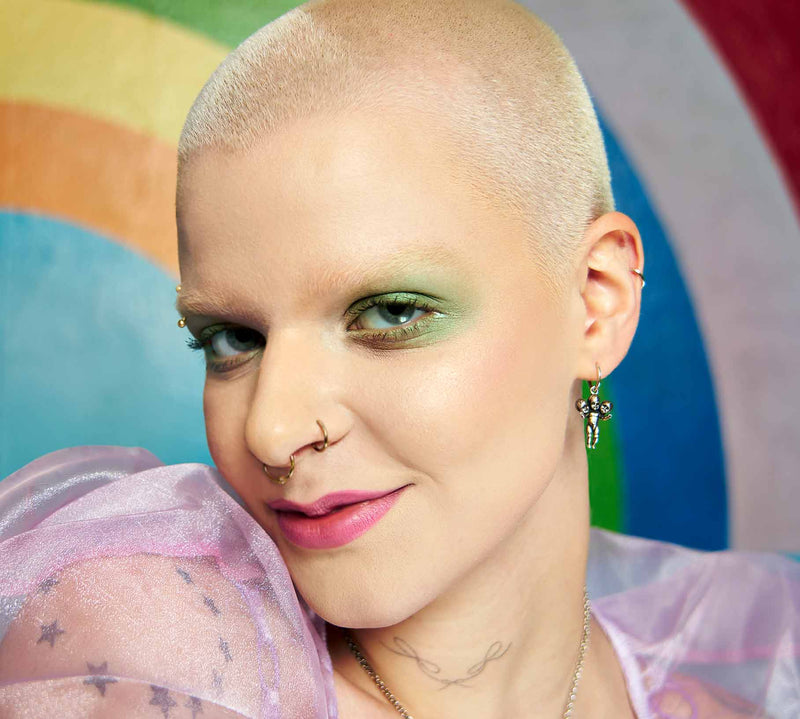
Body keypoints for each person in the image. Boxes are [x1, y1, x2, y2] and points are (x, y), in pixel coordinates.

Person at [0, 0, 797, 717]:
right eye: (232, 339)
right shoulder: (151, 667)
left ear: (596, 301)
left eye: (390, 312)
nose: (273, 430)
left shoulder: (730, 694)